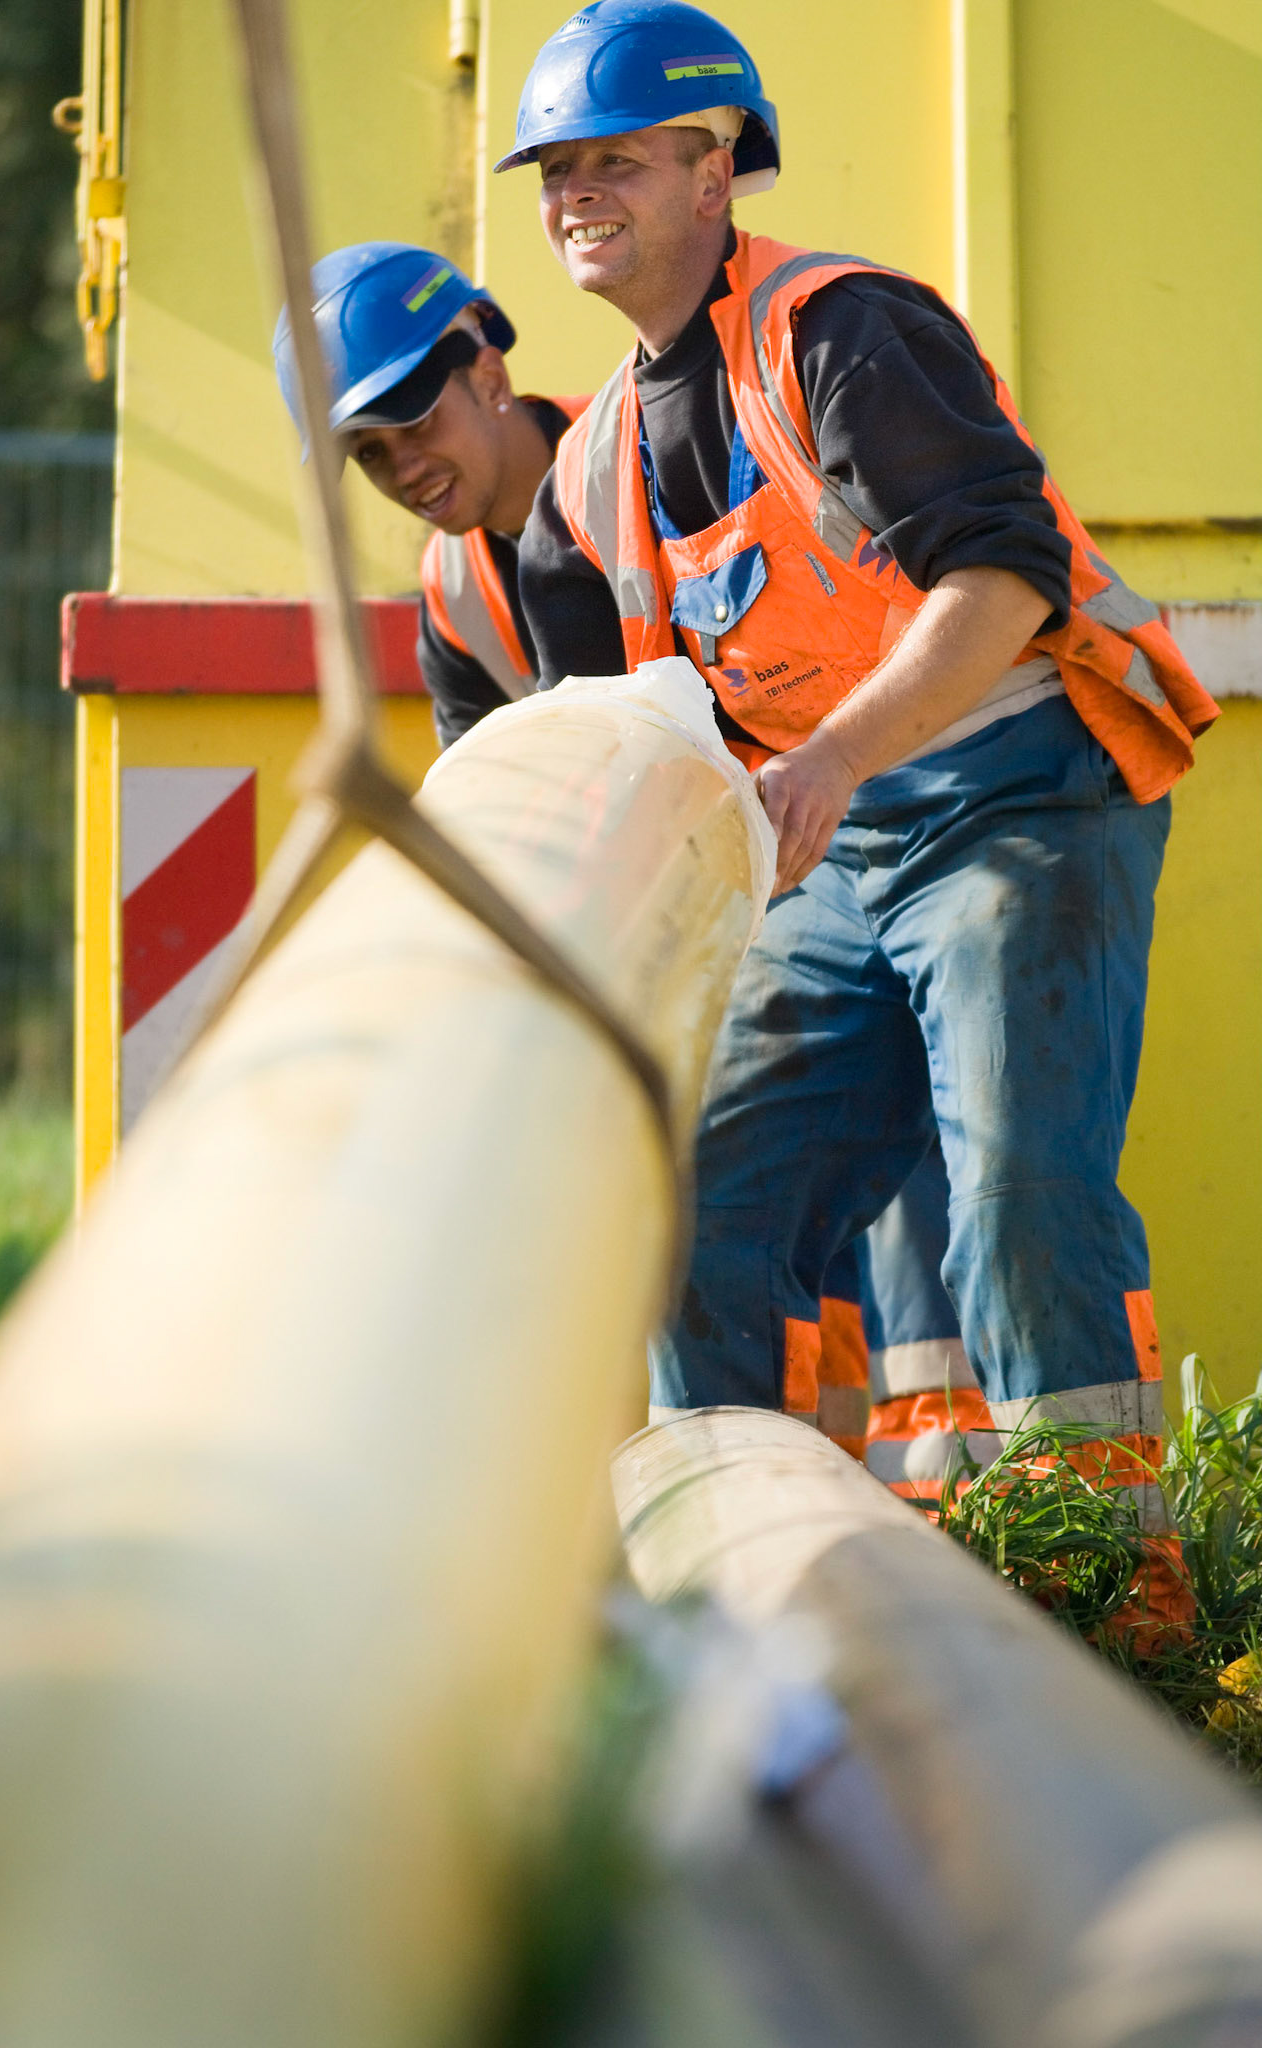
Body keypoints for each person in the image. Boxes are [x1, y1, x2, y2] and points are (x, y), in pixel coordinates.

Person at [504, 0, 1217, 1621]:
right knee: (699, 1198)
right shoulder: (592, 464)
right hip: (836, 857)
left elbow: (1007, 575)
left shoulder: (841, 331)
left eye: (615, 160)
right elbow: (605, 726)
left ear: (715, 168)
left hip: (1022, 797)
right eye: (554, 171)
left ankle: (1116, 1606)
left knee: (1022, 1189)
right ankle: (741, 1581)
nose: (575, 196)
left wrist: (826, 757)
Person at [272, 240, 586, 748]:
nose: (405, 469)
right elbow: (480, 797)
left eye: (416, 421)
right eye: (370, 452)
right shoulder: (453, 589)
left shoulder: (648, 450)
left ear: (489, 381)